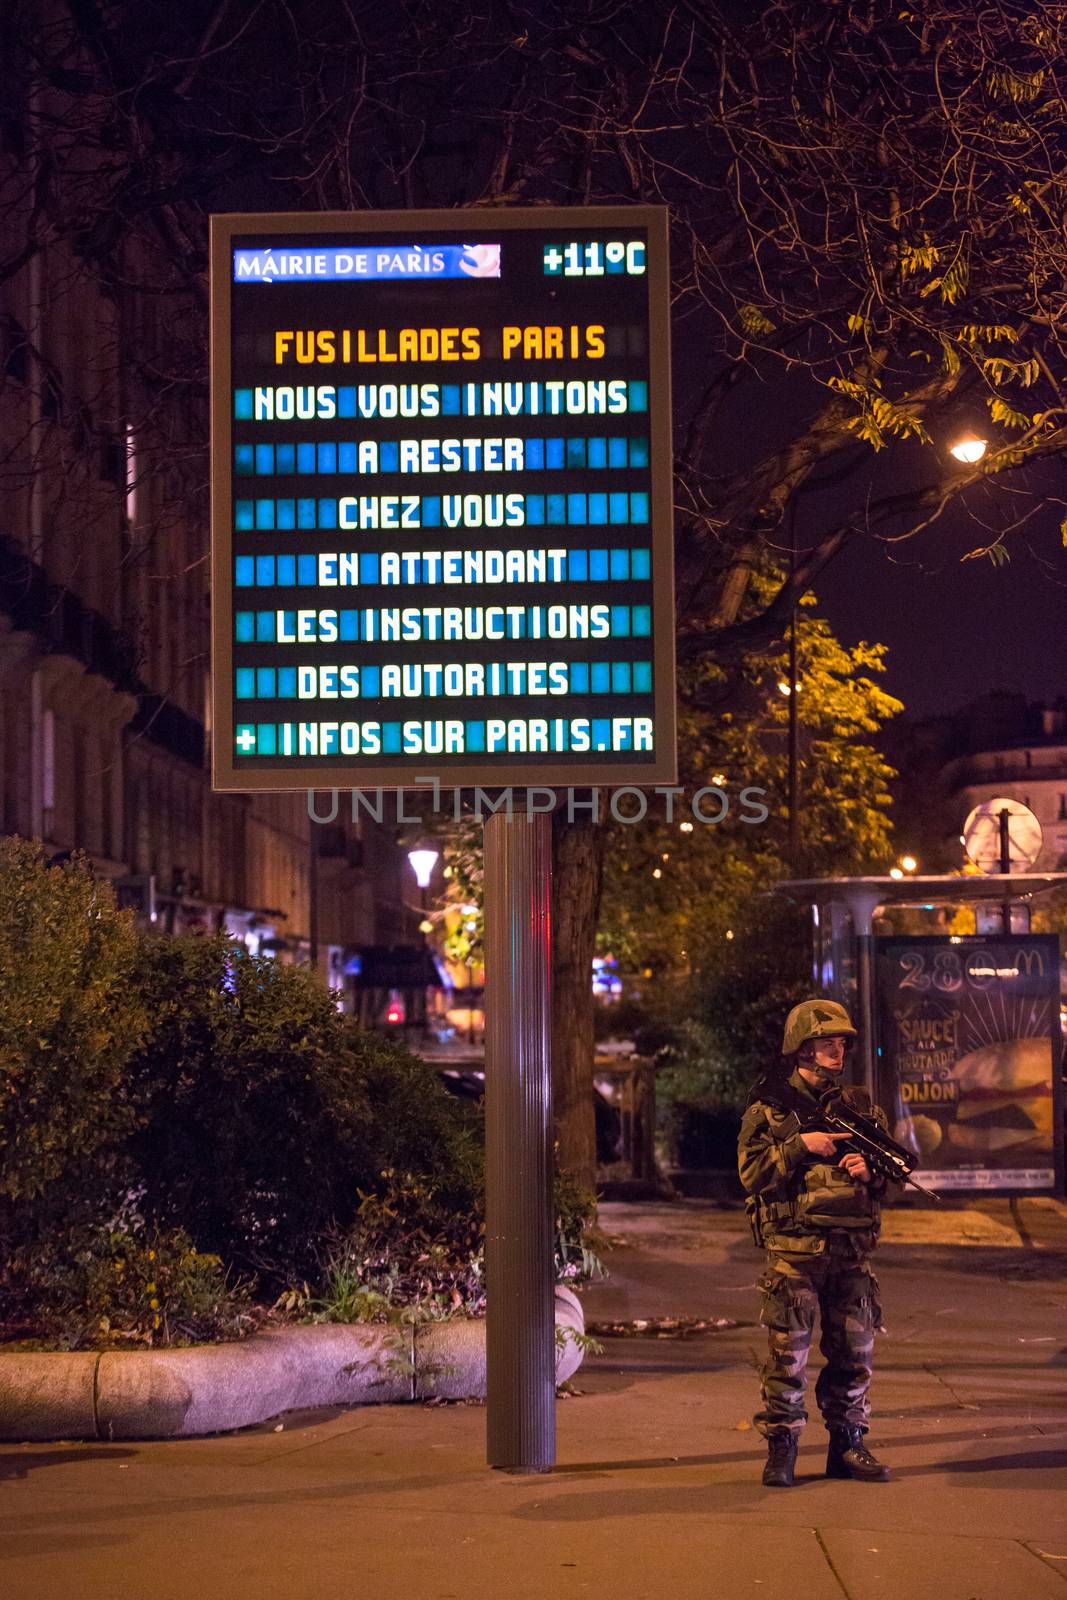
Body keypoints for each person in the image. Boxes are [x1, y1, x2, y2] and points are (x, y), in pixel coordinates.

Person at [737, 998, 892, 1488]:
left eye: (842, 1044)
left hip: (851, 1255)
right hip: (794, 1254)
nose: (838, 1052)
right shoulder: (770, 1110)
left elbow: (893, 1174)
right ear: (801, 1049)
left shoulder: (862, 1109)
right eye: (827, 1044)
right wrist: (802, 1145)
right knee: (788, 1357)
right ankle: (782, 1448)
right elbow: (751, 1174)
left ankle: (848, 1445)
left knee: (854, 1356)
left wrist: (871, 1171)